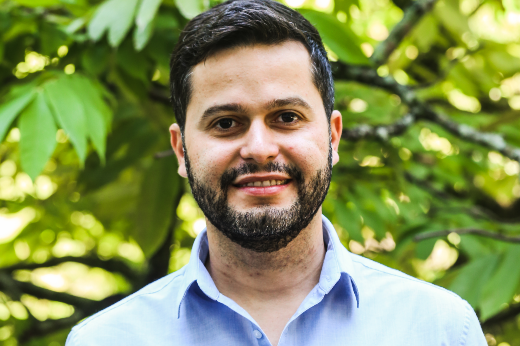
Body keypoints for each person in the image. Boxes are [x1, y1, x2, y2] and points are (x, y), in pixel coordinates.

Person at [66, 0, 487, 345]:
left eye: (286, 116)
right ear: (181, 150)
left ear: (333, 137)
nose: (260, 149)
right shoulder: (104, 340)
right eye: (226, 123)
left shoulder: (439, 328)